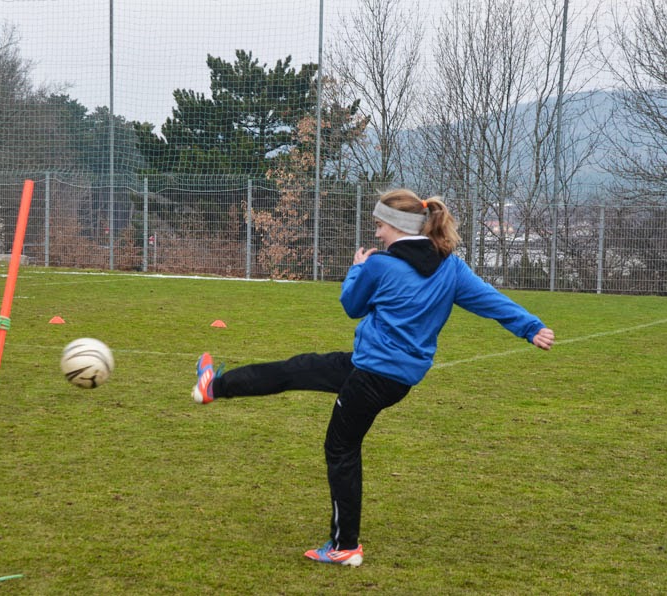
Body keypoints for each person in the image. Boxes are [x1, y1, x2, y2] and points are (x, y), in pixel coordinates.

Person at [191, 188, 555, 567]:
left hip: (371, 376)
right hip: (384, 373)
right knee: (297, 369)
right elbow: (491, 300)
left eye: (380, 225)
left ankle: (344, 545)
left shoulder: (380, 265)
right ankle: (213, 386)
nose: (377, 233)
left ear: (397, 226)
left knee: (340, 449)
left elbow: (352, 305)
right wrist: (530, 327)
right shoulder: (451, 268)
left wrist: (357, 268)